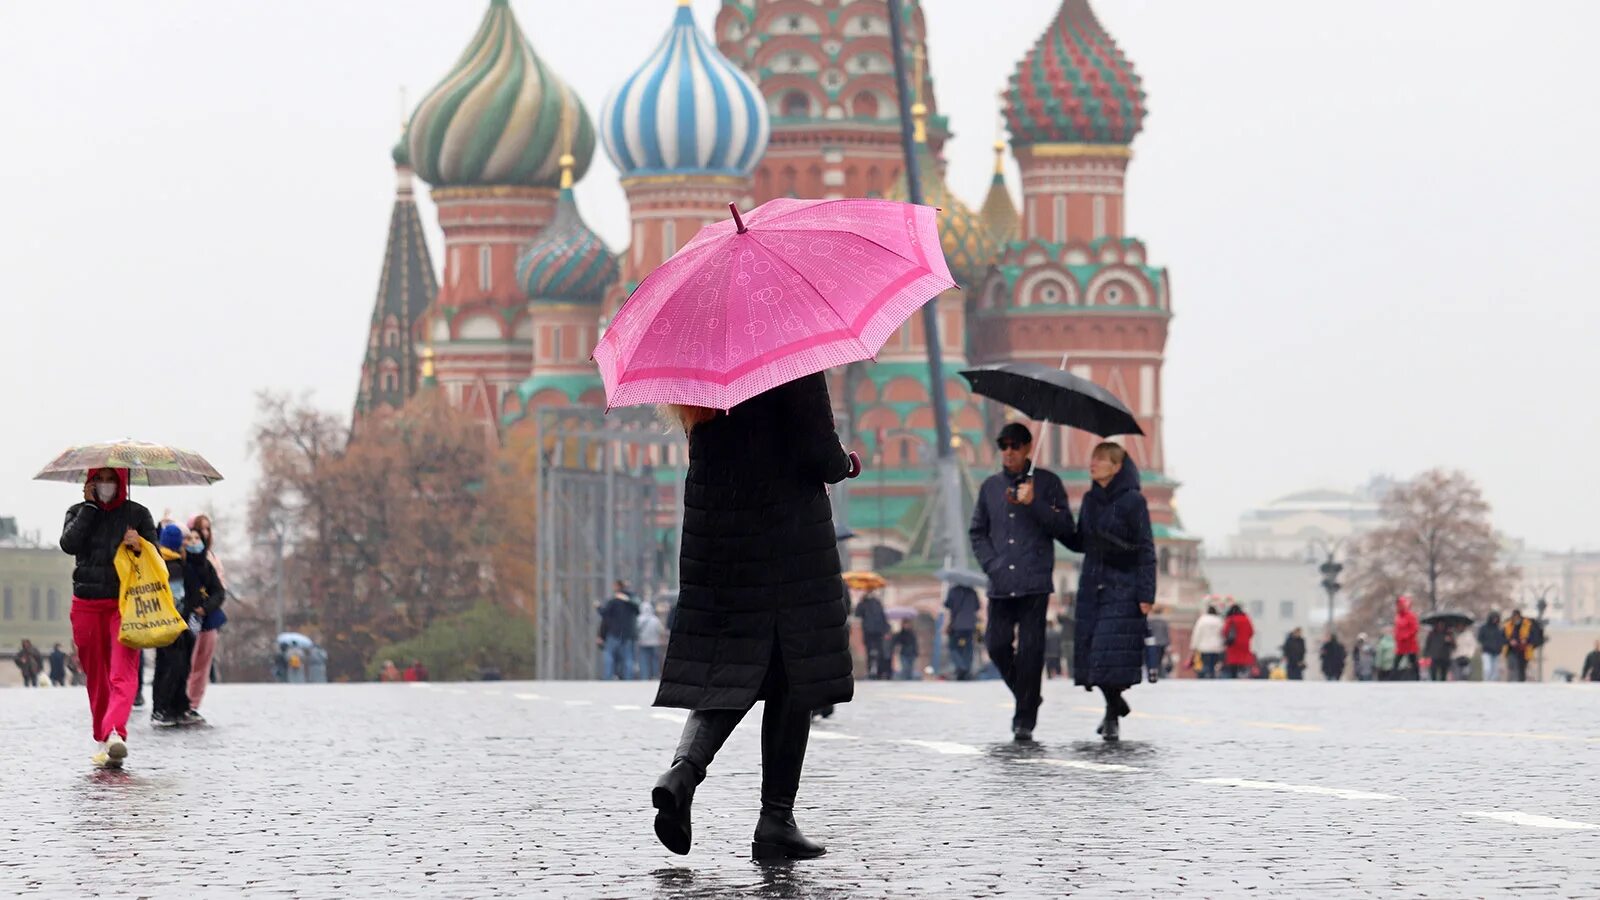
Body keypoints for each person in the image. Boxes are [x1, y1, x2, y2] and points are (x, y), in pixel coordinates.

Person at [649, 372, 860, 861]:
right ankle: (775, 819)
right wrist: (844, 464)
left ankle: (682, 772)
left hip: (718, 536)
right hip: (784, 537)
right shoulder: (786, 356)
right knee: (795, 672)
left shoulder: (700, 373)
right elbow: (817, 448)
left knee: (731, 666)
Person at [968, 422, 1075, 741]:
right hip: (1001, 583)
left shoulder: (1049, 483)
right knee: (997, 645)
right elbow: (977, 532)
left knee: (1031, 651)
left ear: (1029, 448)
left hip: (1034, 581)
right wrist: (992, 564)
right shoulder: (989, 487)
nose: (1009, 451)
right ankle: (1028, 696)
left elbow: (1067, 529)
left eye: (1015, 445)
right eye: (1004, 446)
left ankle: (1024, 718)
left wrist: (1034, 503)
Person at [60, 467, 157, 768]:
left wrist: (139, 545)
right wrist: (90, 508)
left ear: (121, 481)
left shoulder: (138, 514)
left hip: (125, 604)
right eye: (99, 479)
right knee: (96, 675)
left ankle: (116, 732)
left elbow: (157, 558)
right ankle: (104, 737)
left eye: (111, 478)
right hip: (86, 604)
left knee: (122, 671)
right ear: (90, 482)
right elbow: (69, 545)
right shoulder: (77, 511)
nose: (106, 484)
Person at [1064, 442, 1155, 743]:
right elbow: (1079, 541)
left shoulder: (1133, 501)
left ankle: (1112, 714)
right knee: (1093, 654)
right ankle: (1114, 706)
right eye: (1093, 457)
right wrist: (1048, 515)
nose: (1093, 463)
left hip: (1123, 586)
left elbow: (1146, 548)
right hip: (1092, 585)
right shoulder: (1090, 499)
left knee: (1107, 654)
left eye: (1101, 459)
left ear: (1116, 467)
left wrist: (1146, 593)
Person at [150, 524, 197, 727]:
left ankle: (164, 707)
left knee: (164, 666)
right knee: (176, 666)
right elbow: (178, 597)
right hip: (175, 623)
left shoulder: (157, 561)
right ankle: (168, 708)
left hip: (161, 622)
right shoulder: (176, 565)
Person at [186, 514, 228, 715]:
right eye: (199, 529)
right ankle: (182, 701)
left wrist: (207, 606)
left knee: (203, 664)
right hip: (189, 619)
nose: (203, 534)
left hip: (209, 618)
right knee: (188, 662)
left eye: (206, 530)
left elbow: (220, 590)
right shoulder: (182, 561)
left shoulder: (210, 560)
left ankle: (194, 704)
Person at [597, 584, 640, 681]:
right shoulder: (631, 604)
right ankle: (628, 677)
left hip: (614, 632)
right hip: (627, 634)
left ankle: (608, 676)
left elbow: (604, 615)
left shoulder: (613, 602)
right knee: (628, 657)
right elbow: (638, 609)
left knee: (609, 655)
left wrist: (598, 607)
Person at [944, 584, 979, 680]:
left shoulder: (953, 591)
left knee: (953, 647)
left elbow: (946, 604)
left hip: (957, 625)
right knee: (968, 648)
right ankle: (966, 669)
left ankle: (961, 666)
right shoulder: (972, 591)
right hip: (970, 626)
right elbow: (977, 607)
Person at [855, 592, 890, 680]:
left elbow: (857, 613)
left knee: (871, 652)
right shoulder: (876, 603)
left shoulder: (864, 603)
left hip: (870, 632)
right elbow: (883, 618)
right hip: (876, 632)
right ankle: (877, 672)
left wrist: (860, 601)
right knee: (877, 652)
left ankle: (873, 671)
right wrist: (886, 630)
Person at [1190, 604, 1225, 679]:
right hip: (1216, 647)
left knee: (1205, 664)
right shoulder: (1219, 620)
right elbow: (1222, 634)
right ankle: (1211, 677)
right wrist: (1223, 646)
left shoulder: (1202, 620)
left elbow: (1197, 633)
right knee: (1213, 665)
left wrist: (1193, 646)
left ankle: (1205, 678)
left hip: (1204, 647)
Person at [1391, 596, 1420, 680]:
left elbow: (1415, 628)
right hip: (1401, 644)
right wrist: (1397, 636)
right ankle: (1392, 678)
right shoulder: (1398, 617)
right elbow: (1397, 629)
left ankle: (1417, 678)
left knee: (1413, 662)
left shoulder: (1410, 616)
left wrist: (1406, 636)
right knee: (1396, 662)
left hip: (1410, 643)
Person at [1223, 603, 1255, 679]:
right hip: (1244, 643)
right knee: (1243, 660)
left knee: (1233, 660)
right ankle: (1242, 674)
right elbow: (1251, 632)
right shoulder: (1246, 619)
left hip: (1233, 644)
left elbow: (1225, 631)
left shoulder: (1230, 619)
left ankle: (1234, 676)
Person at [636, 600, 666, 680]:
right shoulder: (655, 620)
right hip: (654, 643)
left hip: (643, 643)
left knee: (643, 660)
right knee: (654, 661)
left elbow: (636, 631)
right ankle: (655, 676)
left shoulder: (638, 619)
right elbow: (660, 631)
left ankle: (644, 676)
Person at [1503, 609, 1534, 683]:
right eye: (1514, 617)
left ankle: (1521, 682)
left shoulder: (1527, 624)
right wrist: (1510, 641)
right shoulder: (1507, 624)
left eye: (1517, 617)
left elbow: (1533, 636)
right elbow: (1502, 637)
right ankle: (1511, 681)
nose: (1516, 619)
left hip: (1523, 650)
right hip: (1511, 649)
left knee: (1522, 667)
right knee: (1512, 666)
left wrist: (1526, 640)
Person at [1145, 605, 1171, 683]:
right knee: (1159, 659)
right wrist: (1168, 643)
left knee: (1151, 659)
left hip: (1151, 642)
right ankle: (1158, 673)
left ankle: (1151, 672)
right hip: (1162, 642)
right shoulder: (1164, 621)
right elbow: (1166, 633)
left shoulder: (1150, 621)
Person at [1477, 612, 1505, 682]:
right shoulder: (1484, 628)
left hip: (1496, 652)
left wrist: (1500, 648)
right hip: (1486, 651)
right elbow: (1480, 638)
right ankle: (1486, 681)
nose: (1495, 620)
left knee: (1495, 669)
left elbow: (1502, 640)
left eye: (1496, 618)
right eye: (1493, 618)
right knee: (1487, 668)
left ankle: (1493, 683)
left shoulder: (1499, 629)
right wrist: (1486, 644)